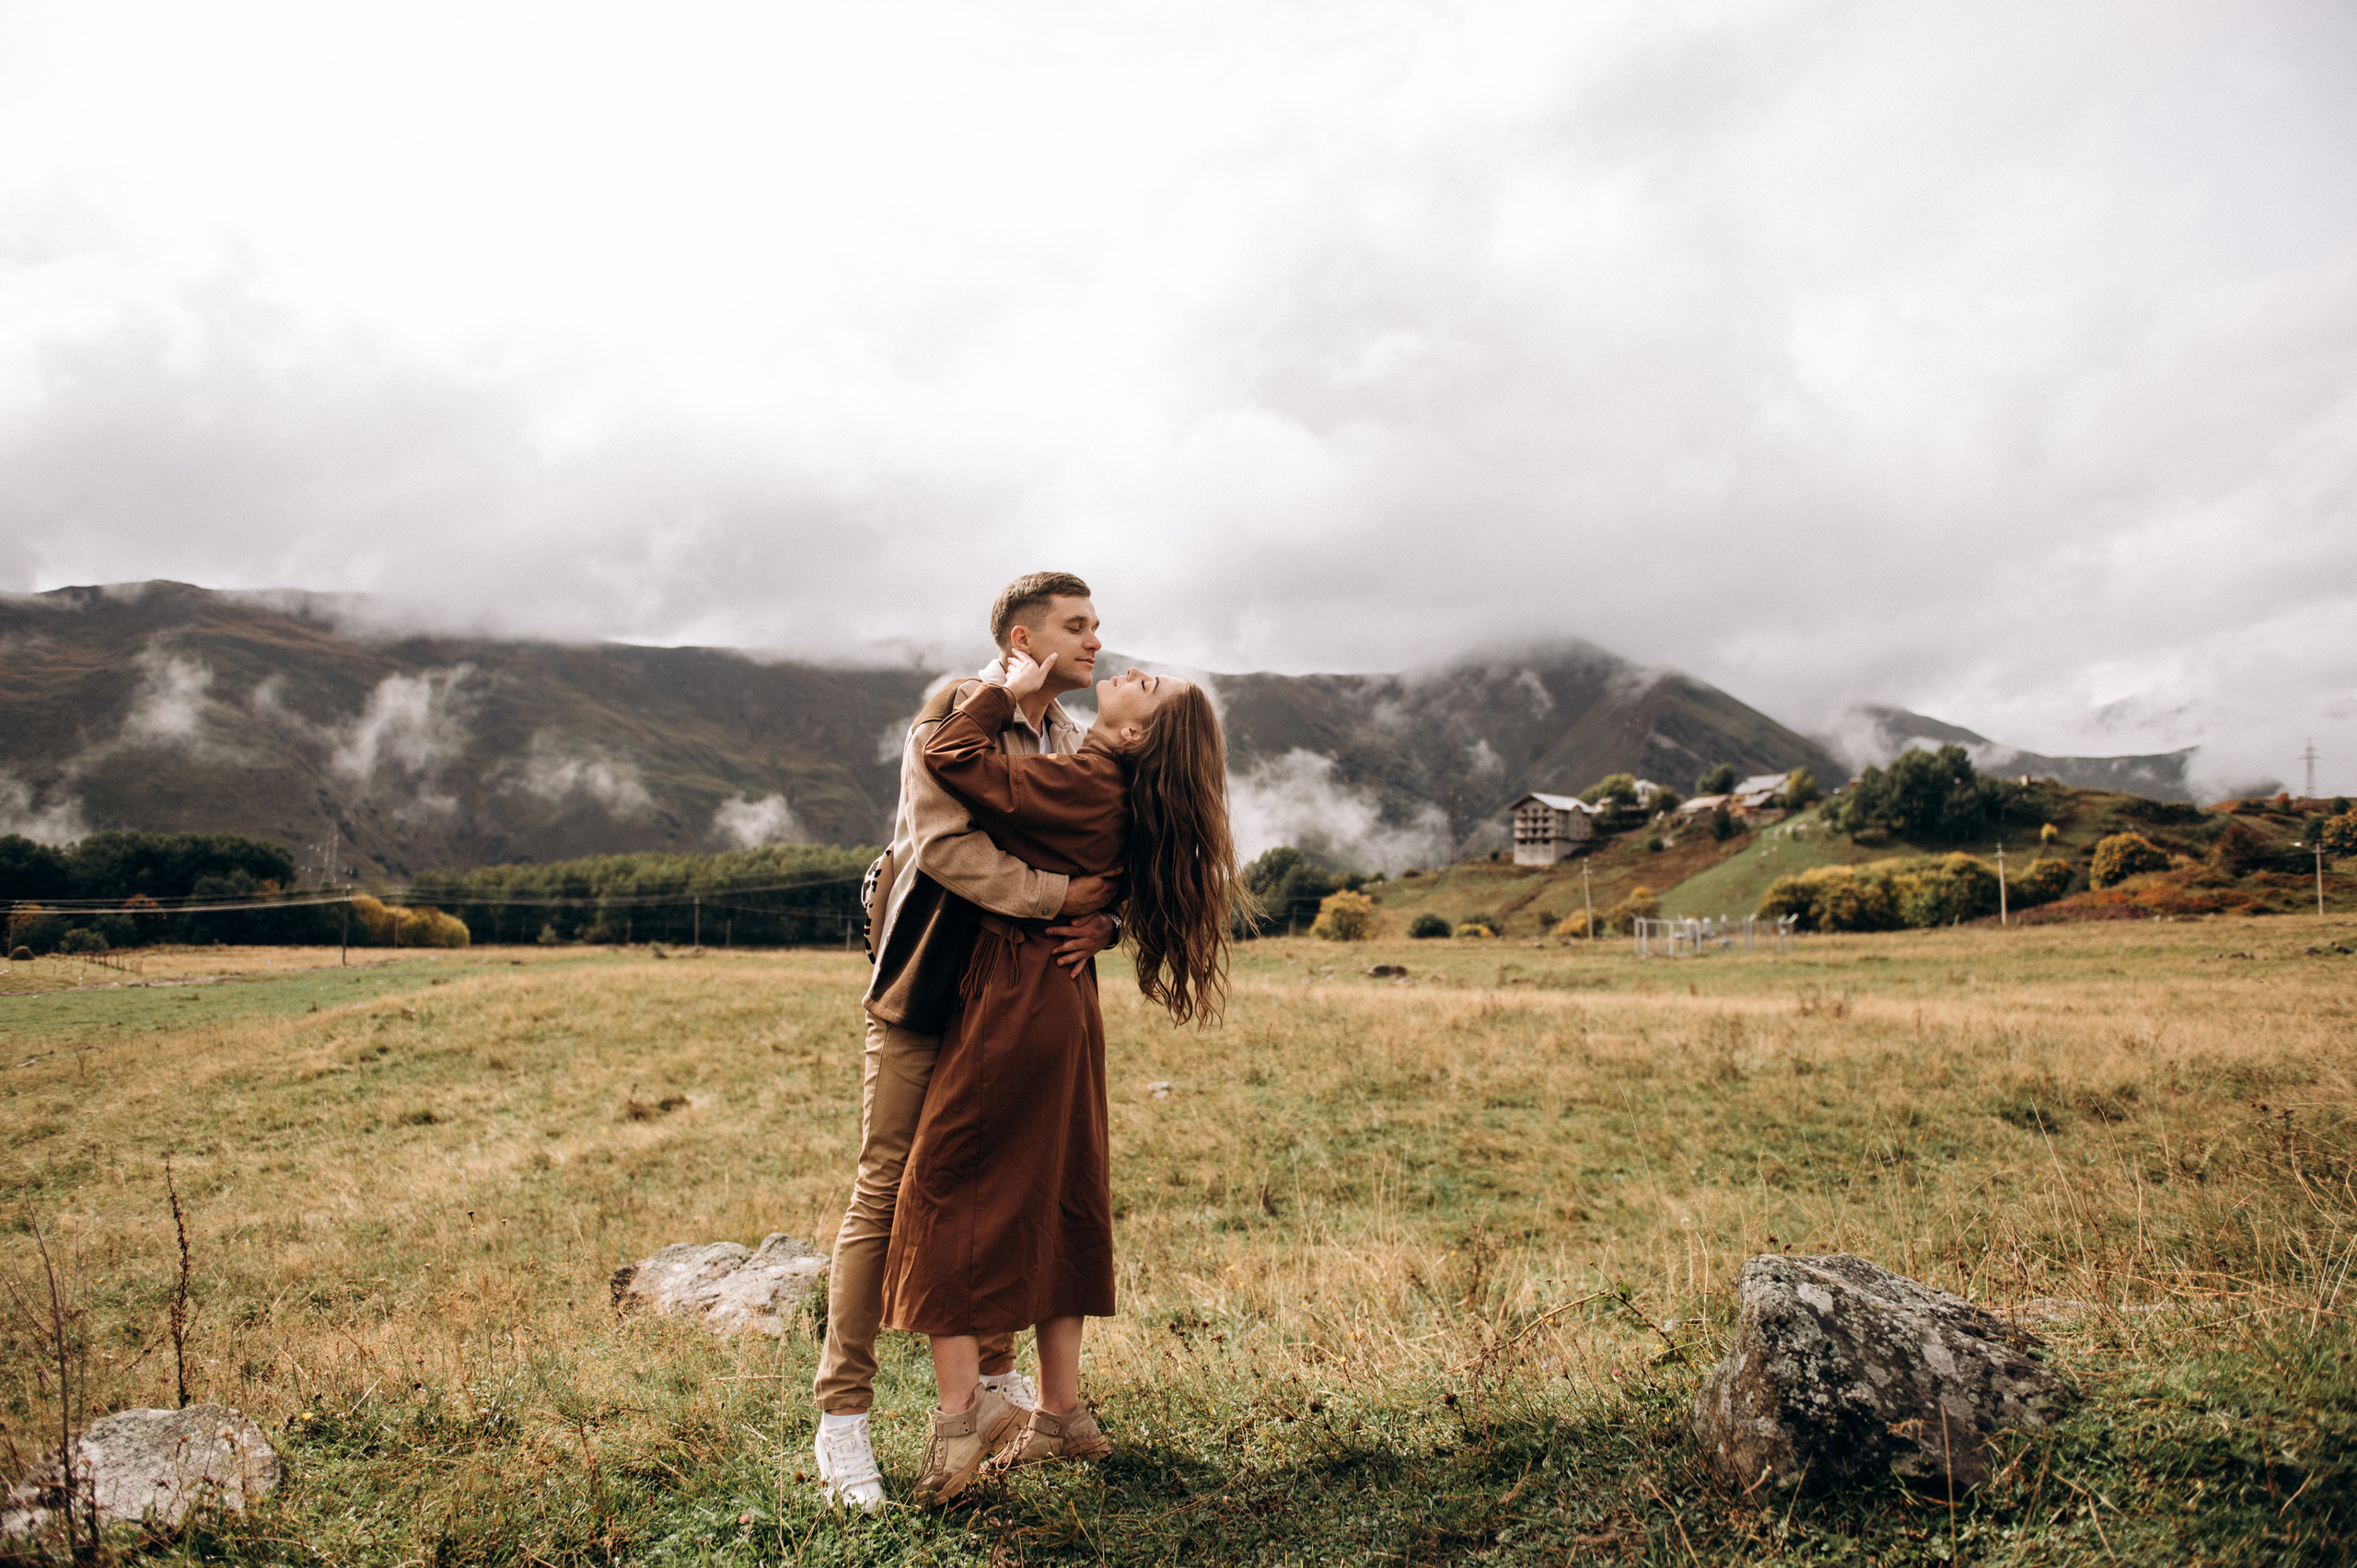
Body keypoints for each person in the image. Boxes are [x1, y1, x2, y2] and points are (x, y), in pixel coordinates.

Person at [879, 647, 1249, 1506]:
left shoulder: (1082, 776)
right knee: (1060, 1189)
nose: (1130, 667)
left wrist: (998, 693)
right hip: (1066, 996)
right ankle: (1063, 1413)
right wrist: (1109, 911)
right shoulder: (1104, 777)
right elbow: (1113, 865)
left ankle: (959, 1419)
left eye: (1146, 686)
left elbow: (950, 759)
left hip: (1017, 996)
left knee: (944, 1188)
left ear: (1129, 733)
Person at [811, 573, 1123, 1512]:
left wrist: (1106, 919)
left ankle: (991, 1387)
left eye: (1098, 624)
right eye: (1077, 626)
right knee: (890, 1181)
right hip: (929, 991)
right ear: (1024, 638)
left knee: (1000, 1180)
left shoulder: (1066, 734)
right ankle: (842, 1418)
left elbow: (1104, 845)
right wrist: (1059, 898)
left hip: (1014, 999)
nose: (1098, 641)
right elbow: (946, 847)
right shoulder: (956, 710)